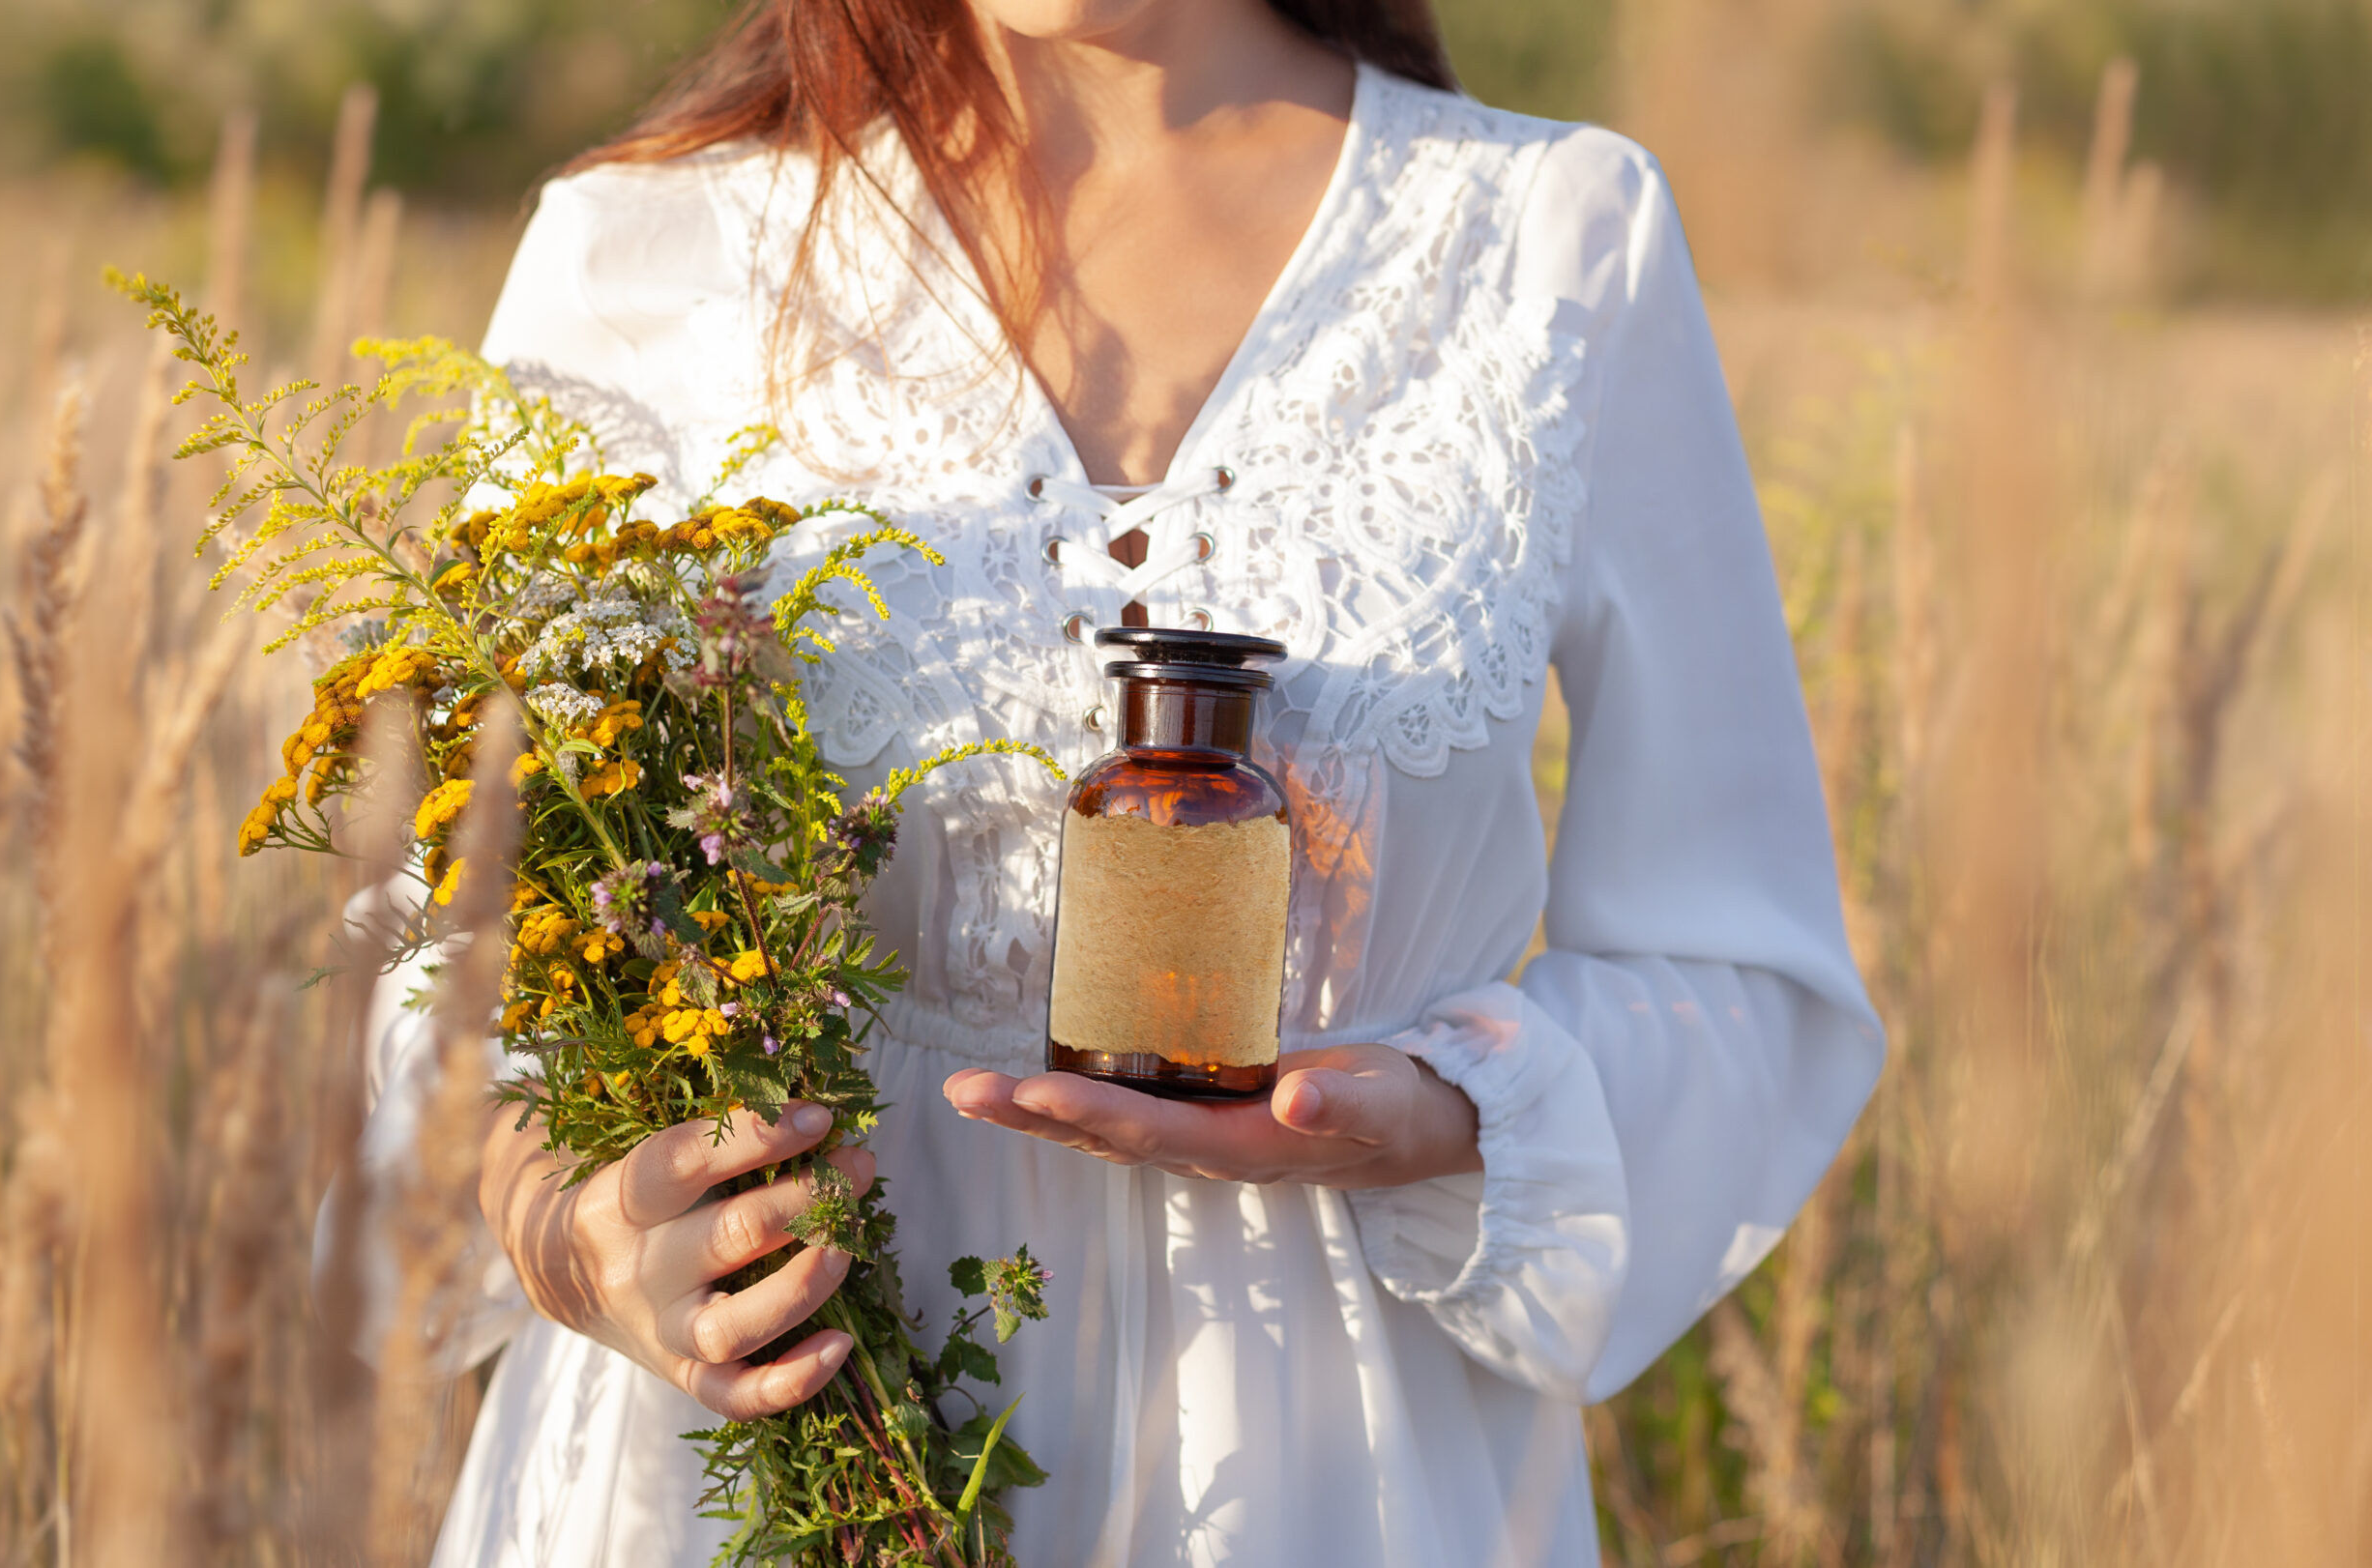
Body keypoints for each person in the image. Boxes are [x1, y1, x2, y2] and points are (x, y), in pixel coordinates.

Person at [356, 0, 1885, 1558]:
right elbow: (462, 977)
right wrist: (585, 1239)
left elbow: (1745, 974)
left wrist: (1443, 1115)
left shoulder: (1556, 237)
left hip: (1326, 1482)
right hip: (759, 1456)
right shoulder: (637, 259)